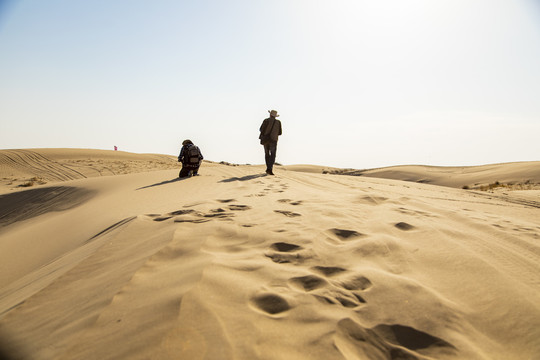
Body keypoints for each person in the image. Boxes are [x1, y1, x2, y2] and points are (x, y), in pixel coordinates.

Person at [259, 109, 282, 175]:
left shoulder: (266, 120)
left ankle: (268, 168)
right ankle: (270, 168)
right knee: (273, 155)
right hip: (274, 140)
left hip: (266, 139)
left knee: (267, 154)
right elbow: (280, 133)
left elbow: (261, 129)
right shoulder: (278, 122)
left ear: (270, 115)